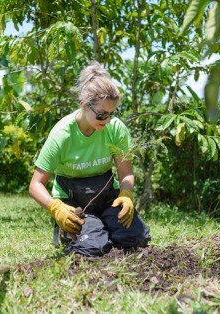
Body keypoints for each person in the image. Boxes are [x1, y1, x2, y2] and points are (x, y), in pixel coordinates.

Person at [29, 61, 150, 257]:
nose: (107, 121)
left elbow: (125, 173)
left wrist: (126, 194)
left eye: (111, 114)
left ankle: (104, 225)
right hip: (73, 201)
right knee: (92, 247)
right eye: (101, 115)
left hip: (107, 195)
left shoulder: (115, 128)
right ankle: (71, 231)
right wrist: (56, 208)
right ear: (83, 105)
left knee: (136, 239)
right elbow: (35, 185)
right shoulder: (62, 134)